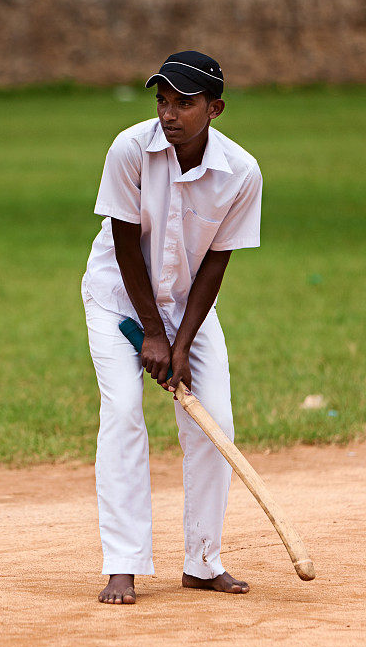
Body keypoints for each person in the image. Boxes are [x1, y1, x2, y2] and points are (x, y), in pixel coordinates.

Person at [81, 50, 263, 605]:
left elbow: (215, 264)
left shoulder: (242, 172)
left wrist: (179, 342)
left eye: (185, 102)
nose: (170, 113)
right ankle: (123, 563)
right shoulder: (130, 149)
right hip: (117, 298)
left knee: (215, 422)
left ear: (215, 108)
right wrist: (155, 338)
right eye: (163, 100)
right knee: (123, 413)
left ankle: (203, 561)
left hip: (188, 308)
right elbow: (123, 244)